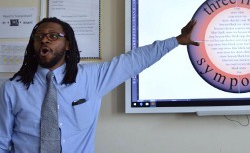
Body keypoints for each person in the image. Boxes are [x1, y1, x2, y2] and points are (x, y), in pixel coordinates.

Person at [0, 17, 199, 153]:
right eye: (39, 37)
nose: (44, 40)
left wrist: (176, 41)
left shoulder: (91, 77)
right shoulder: (12, 89)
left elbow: (133, 61)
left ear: (68, 44)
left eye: (53, 36)